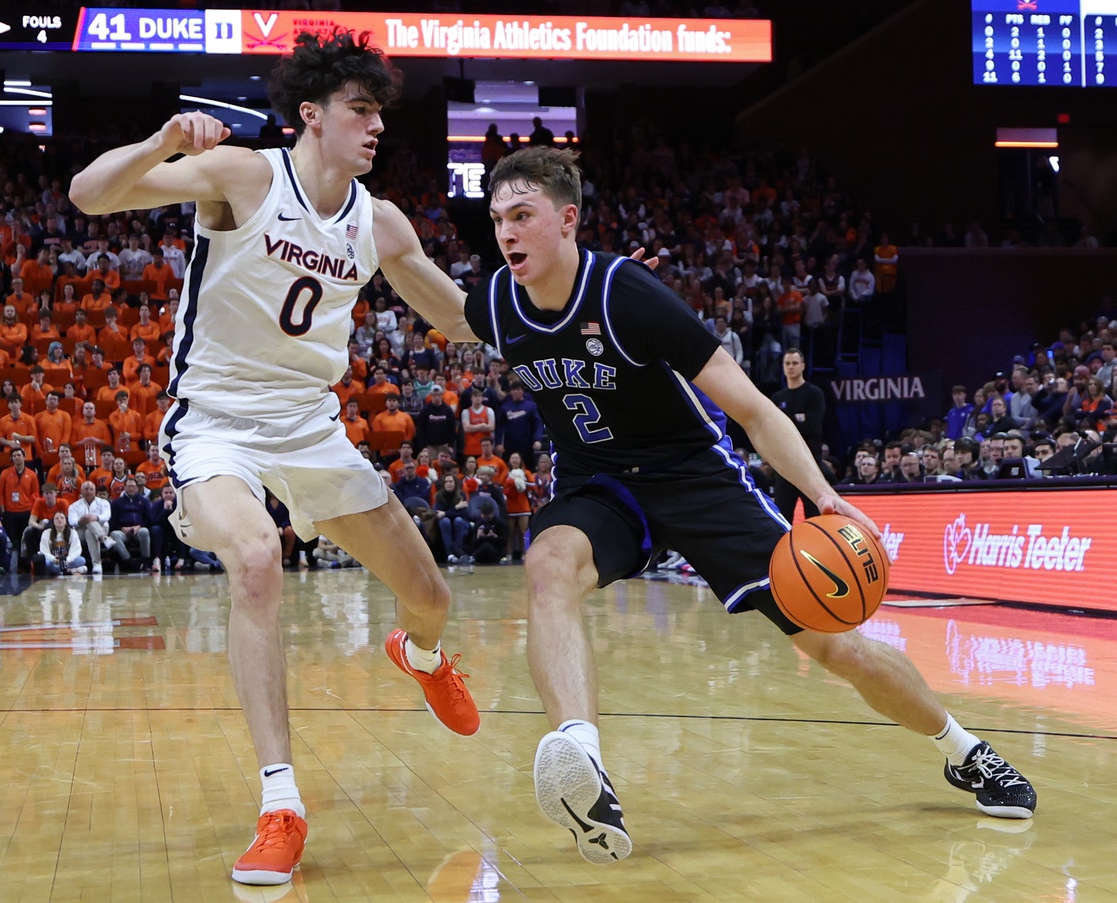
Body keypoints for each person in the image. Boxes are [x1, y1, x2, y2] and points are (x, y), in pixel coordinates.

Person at [459, 146, 1034, 864]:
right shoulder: (492, 301)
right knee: (547, 566)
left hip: (694, 477)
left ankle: (965, 749)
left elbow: (756, 410)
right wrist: (373, 238)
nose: (506, 232)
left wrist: (824, 499)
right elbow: (429, 296)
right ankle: (586, 766)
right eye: (496, 219)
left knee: (833, 643)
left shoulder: (629, 296)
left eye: (522, 215)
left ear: (568, 219)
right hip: (597, 480)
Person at [68, 29, 482, 887]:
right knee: (257, 558)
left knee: (430, 595)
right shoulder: (246, 176)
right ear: (311, 115)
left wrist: (571, 305)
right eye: (360, 110)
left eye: (379, 114)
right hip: (215, 423)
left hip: (311, 429)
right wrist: (163, 143)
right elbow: (87, 195)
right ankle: (281, 803)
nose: (375, 127)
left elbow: (457, 318)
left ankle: (422, 654)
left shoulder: (382, 222)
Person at [770, 348, 826, 521]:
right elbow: (773, 430)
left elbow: (812, 426)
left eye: (795, 363)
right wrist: (797, 418)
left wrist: (786, 421)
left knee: (814, 518)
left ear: (803, 366)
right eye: (787, 363)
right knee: (781, 519)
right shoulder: (777, 398)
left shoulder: (814, 393)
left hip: (810, 465)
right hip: (785, 466)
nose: (791, 367)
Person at [67, 480, 112, 574]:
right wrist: (81, 521)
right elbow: (72, 521)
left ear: (95, 491)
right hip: (81, 531)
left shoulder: (104, 502)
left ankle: (97, 563)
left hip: (101, 528)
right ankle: (104, 540)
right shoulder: (73, 506)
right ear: (81, 491)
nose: (89, 491)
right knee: (88, 525)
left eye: (91, 489)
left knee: (90, 527)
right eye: (86, 489)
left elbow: (107, 516)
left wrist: (96, 517)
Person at [36, 511, 87, 576]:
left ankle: (65, 571)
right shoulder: (46, 533)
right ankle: (70, 571)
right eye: (56, 518)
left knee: (82, 560)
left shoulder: (72, 532)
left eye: (62, 518)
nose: (59, 519)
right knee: (47, 563)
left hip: (67, 560)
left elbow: (76, 550)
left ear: (66, 521)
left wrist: (68, 560)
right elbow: (44, 551)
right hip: (54, 561)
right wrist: (54, 559)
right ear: (53, 521)